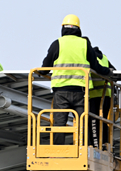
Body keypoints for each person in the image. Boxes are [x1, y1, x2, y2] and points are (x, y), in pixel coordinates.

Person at [41, 15, 111, 144]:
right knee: (84, 123)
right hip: (81, 92)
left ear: (63, 28)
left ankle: (57, 149)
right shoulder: (84, 44)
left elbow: (44, 69)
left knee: (59, 123)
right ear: (78, 29)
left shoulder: (57, 43)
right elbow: (96, 66)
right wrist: (108, 72)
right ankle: (85, 149)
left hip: (61, 92)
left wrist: (41, 72)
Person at [88, 46, 116, 149]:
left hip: (95, 95)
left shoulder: (90, 57)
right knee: (103, 121)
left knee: (94, 121)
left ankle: (97, 146)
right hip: (107, 95)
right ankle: (105, 143)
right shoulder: (103, 57)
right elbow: (114, 71)